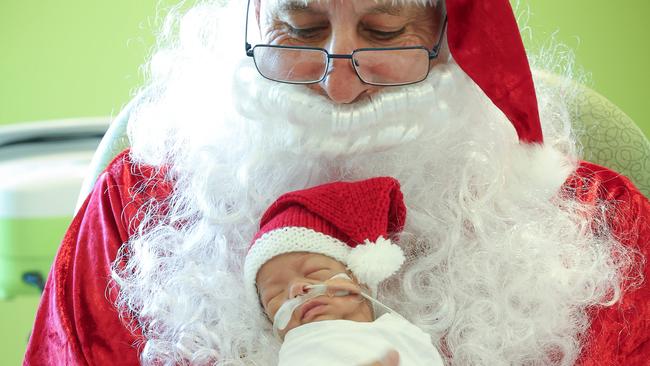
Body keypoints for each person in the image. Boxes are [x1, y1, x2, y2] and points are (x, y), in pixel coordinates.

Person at [24, 0, 649, 365]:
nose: (338, 85)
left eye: (384, 32)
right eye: (299, 28)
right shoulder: (132, 212)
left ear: (450, 39)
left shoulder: (597, 225)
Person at [246, 176, 443, 365]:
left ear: (360, 280)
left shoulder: (404, 336)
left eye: (314, 272)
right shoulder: (298, 351)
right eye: (275, 294)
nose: (297, 288)